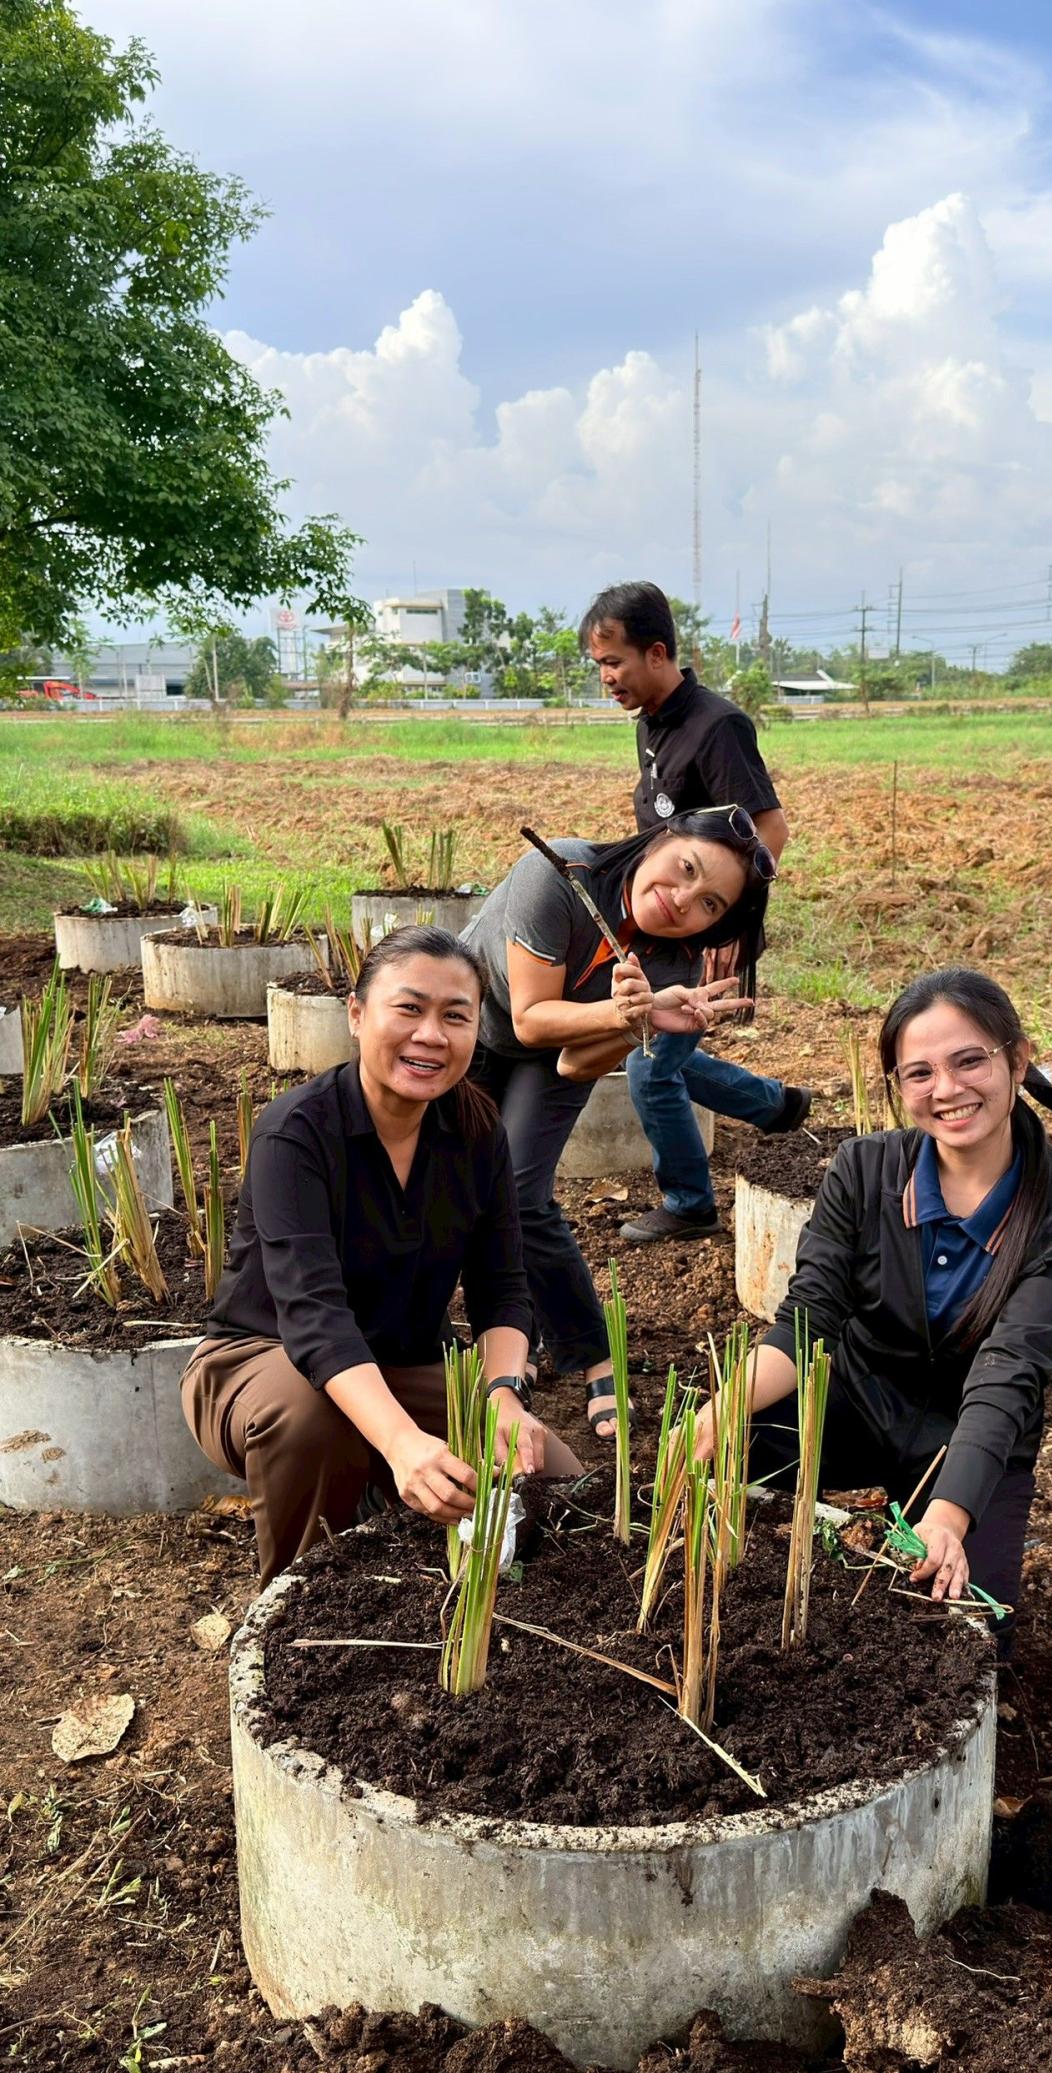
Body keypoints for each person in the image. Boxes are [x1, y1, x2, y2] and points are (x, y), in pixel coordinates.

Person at [694, 967, 1052, 1654]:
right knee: (708, 1458)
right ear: (897, 1086)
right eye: (919, 1072)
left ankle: (937, 1518)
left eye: (969, 1060)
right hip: (851, 1401)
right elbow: (808, 1320)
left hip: (971, 1437)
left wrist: (948, 1516)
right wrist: (723, 1404)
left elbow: (1008, 1372)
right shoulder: (863, 1170)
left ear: (1017, 1058)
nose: (947, 1090)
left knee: (971, 1637)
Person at [180, 925, 581, 1585]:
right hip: (260, 1363)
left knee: (553, 1479)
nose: (432, 1034)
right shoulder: (296, 1133)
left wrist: (504, 1395)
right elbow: (313, 1317)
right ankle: (300, 1602)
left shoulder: (477, 1135)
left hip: (402, 1364)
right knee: (312, 1418)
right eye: (410, 1008)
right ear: (358, 1014)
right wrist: (400, 1443)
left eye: (456, 1016)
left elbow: (503, 1288)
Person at [461, 808, 771, 1439]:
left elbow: (574, 1065)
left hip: (557, 1054)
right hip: (470, 1026)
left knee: (519, 1191)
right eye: (685, 869)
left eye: (709, 904)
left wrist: (647, 1021)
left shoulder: (675, 964)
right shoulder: (561, 874)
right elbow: (527, 1019)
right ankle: (505, 1351)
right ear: (661, 839)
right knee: (457, 1185)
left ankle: (590, 1354)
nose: (682, 900)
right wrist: (624, 1010)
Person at [580, 580, 810, 1244]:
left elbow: (770, 828)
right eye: (599, 665)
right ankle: (777, 1105)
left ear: (657, 653)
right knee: (658, 1048)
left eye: (613, 662)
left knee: (652, 1067)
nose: (607, 679)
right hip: (659, 925)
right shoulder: (654, 724)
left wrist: (721, 926)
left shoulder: (717, 726)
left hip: (696, 929)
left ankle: (690, 1203)